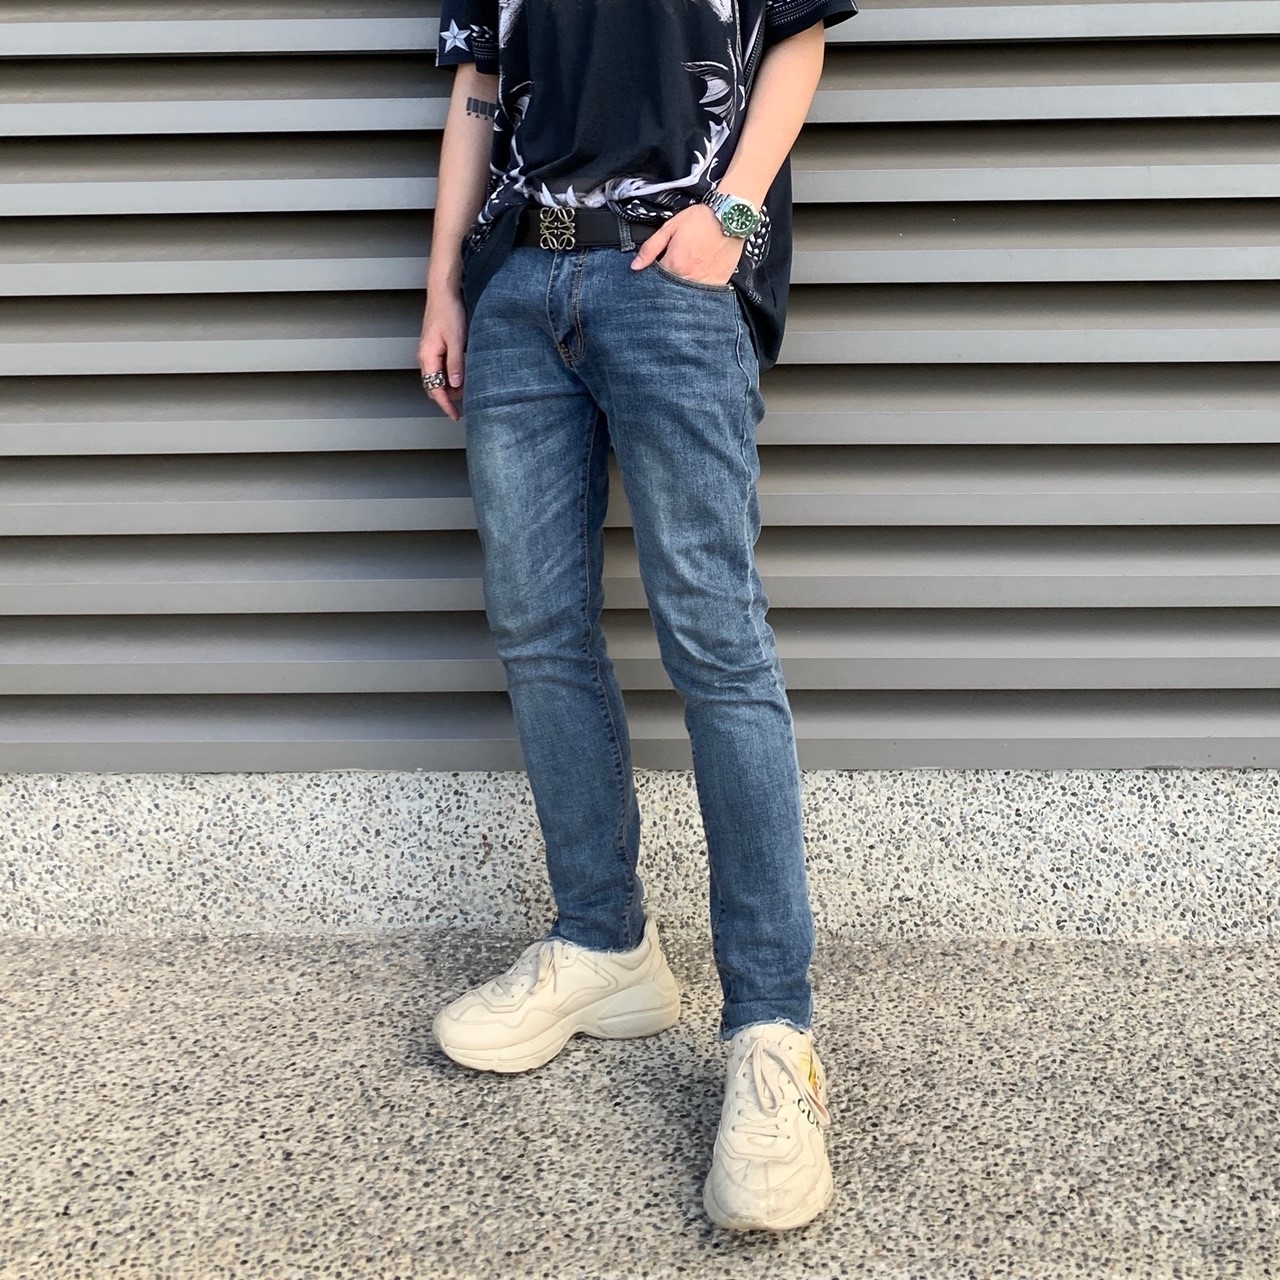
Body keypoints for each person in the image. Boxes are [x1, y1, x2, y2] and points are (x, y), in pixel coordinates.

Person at [420, 0, 858, 1233]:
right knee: (537, 630)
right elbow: (476, 83)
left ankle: (771, 1031)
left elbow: (797, 33)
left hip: (671, 272)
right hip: (517, 282)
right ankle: (604, 943)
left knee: (716, 644)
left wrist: (732, 215)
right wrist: (445, 280)